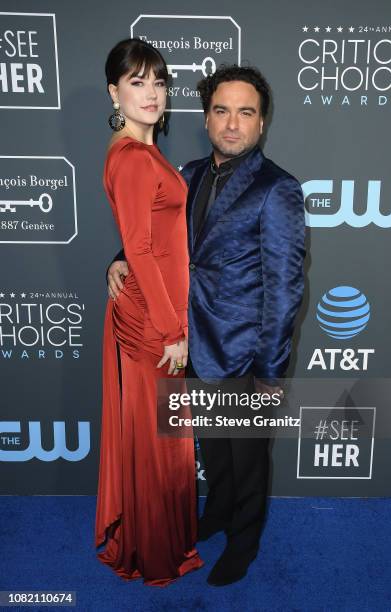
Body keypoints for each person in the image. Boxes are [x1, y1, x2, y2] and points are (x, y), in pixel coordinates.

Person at [107, 64, 305, 586]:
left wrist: (269, 372)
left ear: (262, 123)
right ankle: (215, 514)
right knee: (212, 448)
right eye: (222, 111)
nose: (233, 124)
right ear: (206, 117)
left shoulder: (277, 189)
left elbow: (285, 290)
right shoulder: (186, 174)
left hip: (243, 354)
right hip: (185, 342)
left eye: (246, 112)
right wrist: (119, 257)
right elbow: (152, 238)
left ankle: (244, 541)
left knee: (247, 459)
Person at [94, 38, 203, 587]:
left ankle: (154, 541)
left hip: (149, 312)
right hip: (153, 324)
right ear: (114, 91)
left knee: (160, 441)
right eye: (137, 82)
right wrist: (171, 329)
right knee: (164, 447)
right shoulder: (134, 157)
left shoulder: (136, 150)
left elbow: (149, 240)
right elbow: (140, 249)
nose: (152, 93)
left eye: (159, 82)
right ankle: (156, 554)